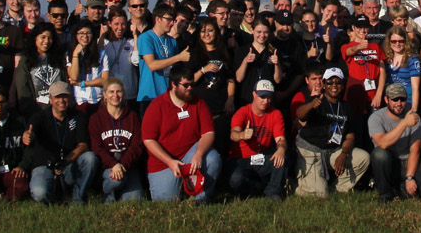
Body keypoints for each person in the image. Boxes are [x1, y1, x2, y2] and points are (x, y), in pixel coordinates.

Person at [140, 65, 220, 203]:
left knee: (212, 159)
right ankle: (181, 186)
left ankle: (199, 199)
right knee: (165, 202)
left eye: (192, 85)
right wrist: (169, 162)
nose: (190, 88)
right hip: (164, 161)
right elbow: (148, 140)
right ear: (173, 85)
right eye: (186, 85)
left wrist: (199, 154)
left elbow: (208, 133)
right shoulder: (156, 106)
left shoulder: (198, 102)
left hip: (191, 152)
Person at [293, 66, 368, 197]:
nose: (334, 85)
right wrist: (311, 106)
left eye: (338, 82)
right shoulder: (317, 100)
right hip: (312, 150)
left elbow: (350, 136)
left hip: (333, 150)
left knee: (363, 158)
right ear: (324, 84)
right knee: (320, 196)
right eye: (329, 82)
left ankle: (335, 188)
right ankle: (294, 186)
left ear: (343, 85)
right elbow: (300, 114)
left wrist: (343, 154)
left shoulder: (346, 107)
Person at [27, 81, 99, 204]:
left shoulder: (78, 116)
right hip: (44, 166)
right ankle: (53, 197)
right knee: (39, 193)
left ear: (70, 98)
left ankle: (77, 198)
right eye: (57, 97)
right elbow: (30, 131)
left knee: (90, 158)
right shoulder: (39, 116)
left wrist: (65, 161)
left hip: (68, 165)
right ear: (50, 100)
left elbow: (83, 145)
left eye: (64, 96)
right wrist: (28, 136)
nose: (61, 100)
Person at [369, 82, 421, 201]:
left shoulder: (414, 117)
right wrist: (404, 123)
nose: (399, 103)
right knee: (379, 154)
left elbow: (415, 150)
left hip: (408, 161)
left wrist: (409, 177)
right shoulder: (376, 117)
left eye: (402, 99)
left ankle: (402, 188)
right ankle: (385, 194)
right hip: (389, 162)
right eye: (395, 99)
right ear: (386, 99)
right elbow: (382, 143)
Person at [228, 80, 287, 200]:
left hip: (261, 158)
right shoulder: (243, 112)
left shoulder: (275, 114)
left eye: (269, 98)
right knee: (236, 180)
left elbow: (281, 139)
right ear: (254, 94)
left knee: (281, 157)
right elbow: (233, 134)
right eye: (262, 97)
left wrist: (281, 148)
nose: (266, 101)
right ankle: (257, 186)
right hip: (241, 159)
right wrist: (242, 135)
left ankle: (272, 192)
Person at [89, 79, 146, 202]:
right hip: (107, 166)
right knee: (115, 181)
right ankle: (106, 194)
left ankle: (119, 191)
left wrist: (122, 165)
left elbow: (137, 145)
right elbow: (96, 147)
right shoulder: (96, 118)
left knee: (135, 200)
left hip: (128, 165)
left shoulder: (133, 117)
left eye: (118, 91)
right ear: (104, 94)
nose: (115, 95)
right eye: (111, 92)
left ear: (123, 94)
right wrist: (113, 164)